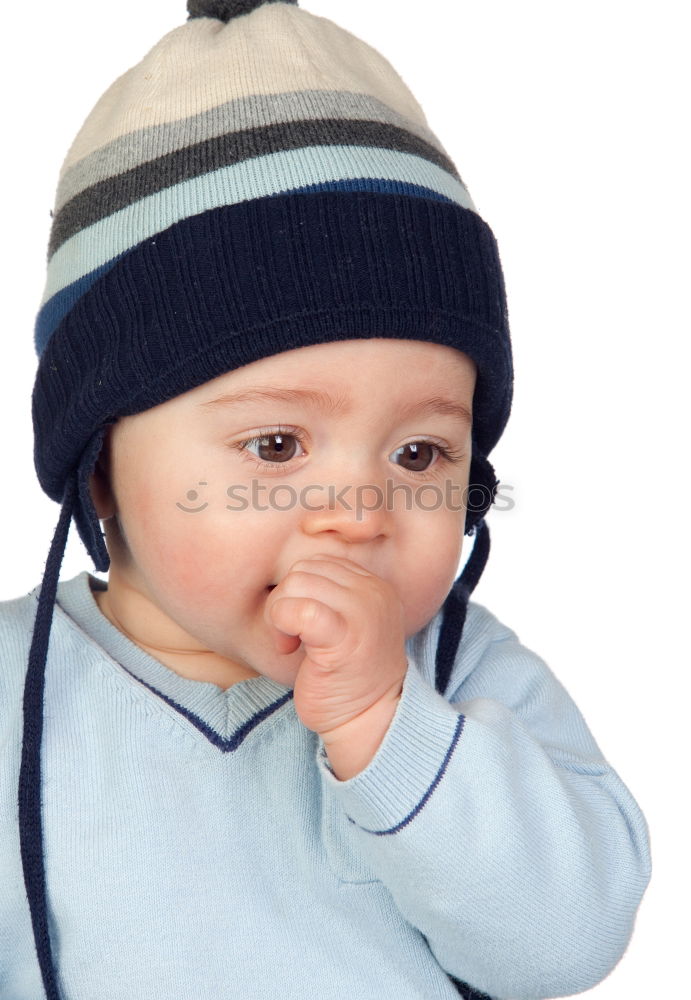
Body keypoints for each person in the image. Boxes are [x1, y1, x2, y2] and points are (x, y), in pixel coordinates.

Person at [0, 2, 651, 998]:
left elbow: (567, 942)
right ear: (99, 466)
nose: (359, 509)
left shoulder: (466, 676)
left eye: (420, 450)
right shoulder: (15, 692)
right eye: (275, 444)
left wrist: (390, 728)